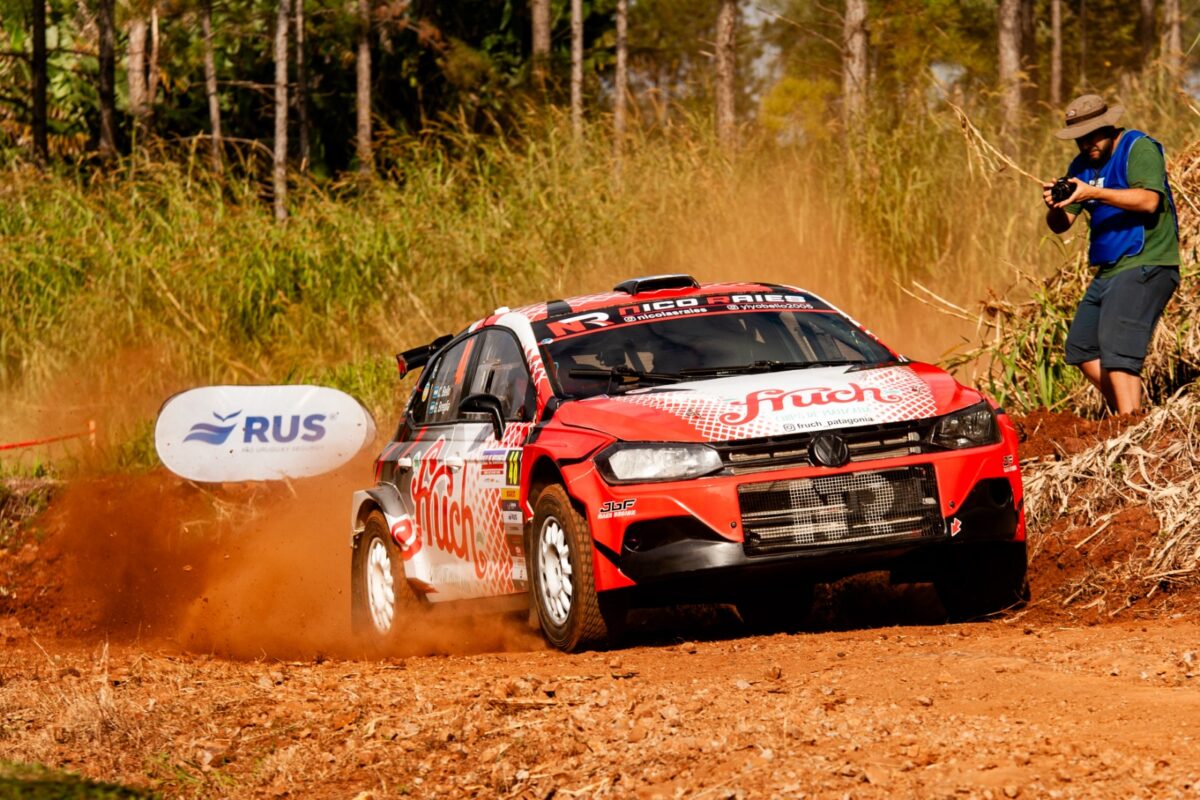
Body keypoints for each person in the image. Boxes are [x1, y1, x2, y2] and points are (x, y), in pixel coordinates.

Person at [1042, 94, 1181, 415]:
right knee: (1081, 347)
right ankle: (1135, 415)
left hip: (1147, 260)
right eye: (1080, 137)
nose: (1086, 142)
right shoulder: (1080, 167)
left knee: (1118, 353)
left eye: (1092, 134)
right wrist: (1054, 206)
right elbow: (1061, 225)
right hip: (1109, 268)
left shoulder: (1137, 147)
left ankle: (1130, 427)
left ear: (1108, 125)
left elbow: (1149, 201)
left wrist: (1093, 192)